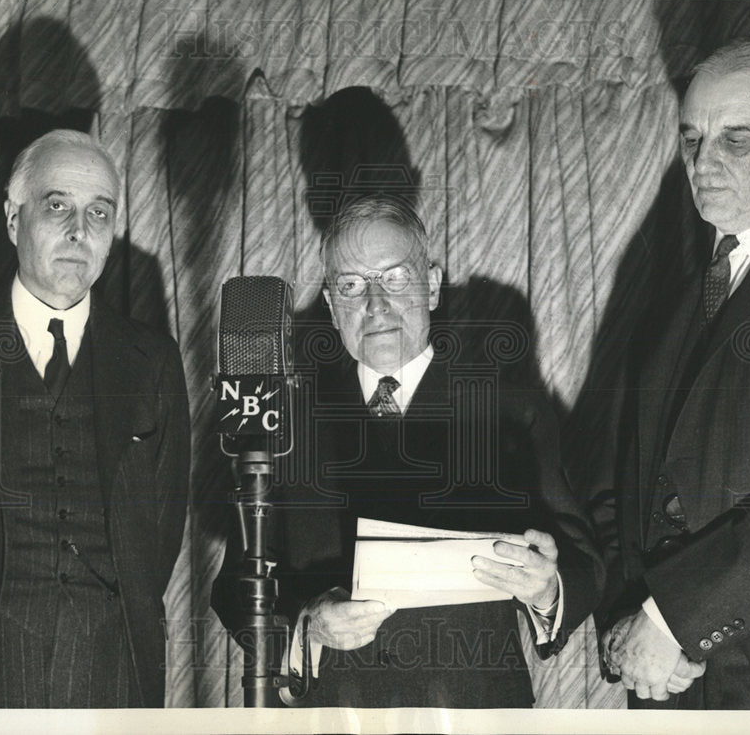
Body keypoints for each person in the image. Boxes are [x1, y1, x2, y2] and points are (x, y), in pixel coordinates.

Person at [213, 194, 604, 707]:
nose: (376, 306)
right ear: (331, 306)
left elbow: (583, 558)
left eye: (395, 279)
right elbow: (235, 587)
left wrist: (546, 589)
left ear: (434, 286)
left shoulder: (508, 406)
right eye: (352, 286)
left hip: (471, 712)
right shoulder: (282, 419)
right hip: (333, 713)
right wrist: (305, 628)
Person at [0, 129, 191, 707]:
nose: (78, 232)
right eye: (57, 205)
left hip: (110, 674)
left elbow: (160, 530)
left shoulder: (151, 359)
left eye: (99, 213)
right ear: (13, 220)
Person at [598, 41, 750, 709]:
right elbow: (624, 483)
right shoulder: (669, 298)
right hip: (666, 680)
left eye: (735, 140)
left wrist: (673, 618)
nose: (703, 163)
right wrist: (629, 622)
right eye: (693, 138)